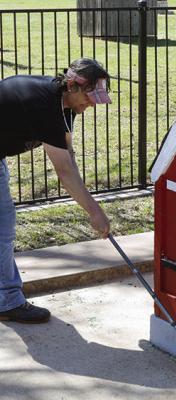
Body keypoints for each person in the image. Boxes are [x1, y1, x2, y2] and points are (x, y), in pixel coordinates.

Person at [0, 58, 111, 324]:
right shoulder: (45, 105)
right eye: (90, 96)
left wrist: (91, 206)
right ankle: (7, 300)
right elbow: (64, 172)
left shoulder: (64, 106)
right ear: (72, 86)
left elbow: (68, 156)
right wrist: (95, 213)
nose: (93, 103)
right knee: (3, 225)